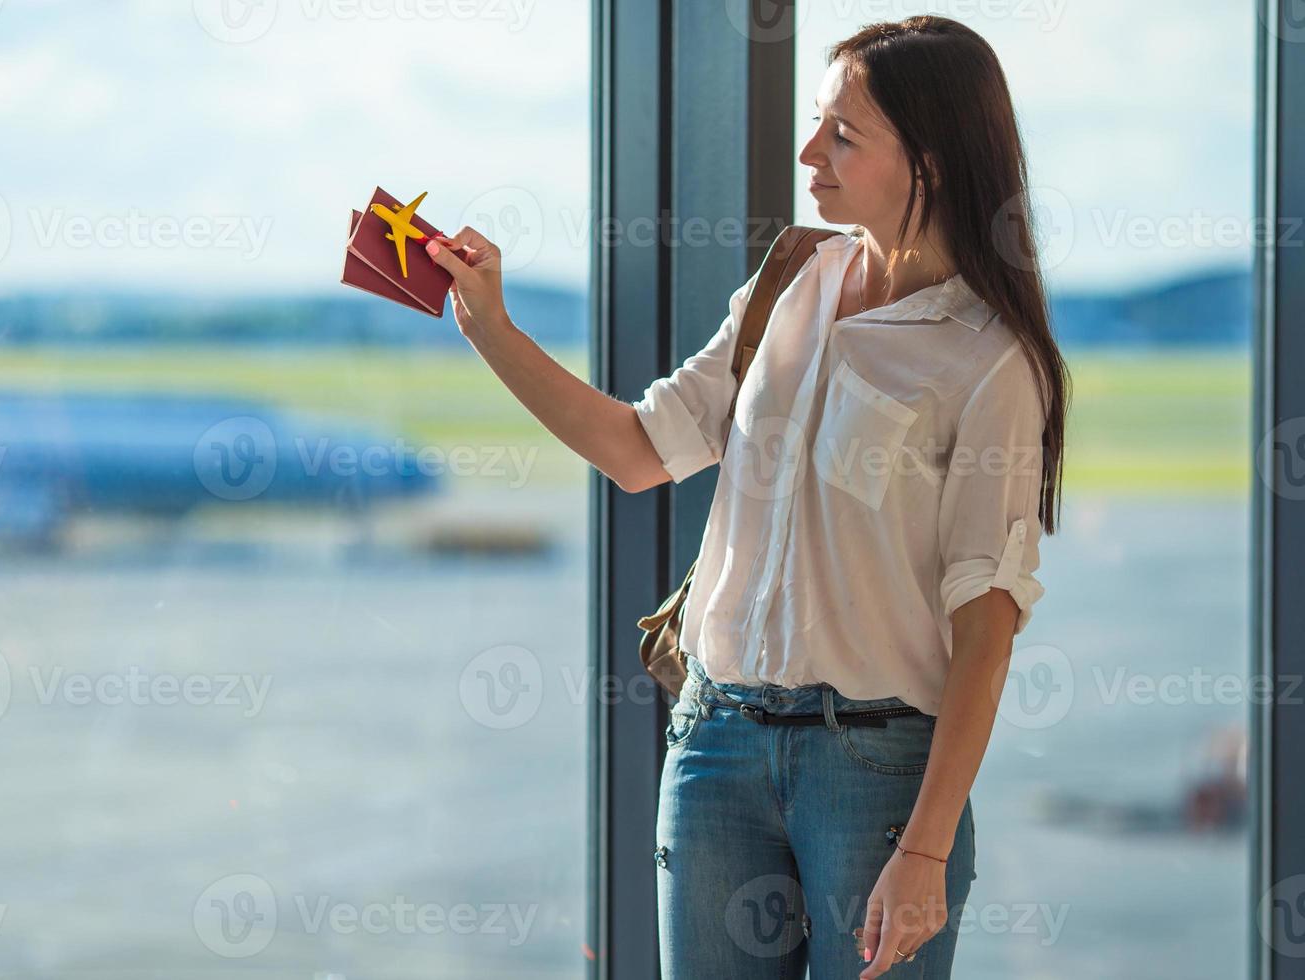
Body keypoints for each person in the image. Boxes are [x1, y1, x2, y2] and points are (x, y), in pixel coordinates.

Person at [425, 14, 1070, 978]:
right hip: (716, 749)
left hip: (877, 776)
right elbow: (639, 450)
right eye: (818, 124)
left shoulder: (990, 362)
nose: (811, 151)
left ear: (930, 161)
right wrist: (491, 328)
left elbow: (987, 628)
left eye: (844, 135)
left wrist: (926, 850)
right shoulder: (790, 283)